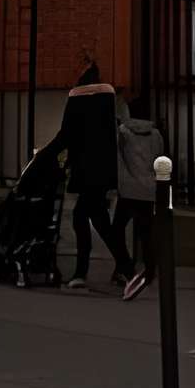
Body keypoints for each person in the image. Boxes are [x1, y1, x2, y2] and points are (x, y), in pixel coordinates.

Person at [57, 60, 129, 292]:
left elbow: (66, 133)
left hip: (85, 168)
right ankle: (119, 268)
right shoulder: (108, 98)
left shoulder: (77, 97)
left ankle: (119, 269)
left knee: (87, 218)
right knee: (94, 218)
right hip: (103, 168)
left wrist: (52, 154)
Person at [113, 109, 164, 300]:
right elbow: (159, 157)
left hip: (128, 189)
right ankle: (150, 271)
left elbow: (117, 157)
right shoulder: (156, 134)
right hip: (148, 189)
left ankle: (126, 268)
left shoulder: (123, 131)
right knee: (146, 231)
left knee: (116, 230)